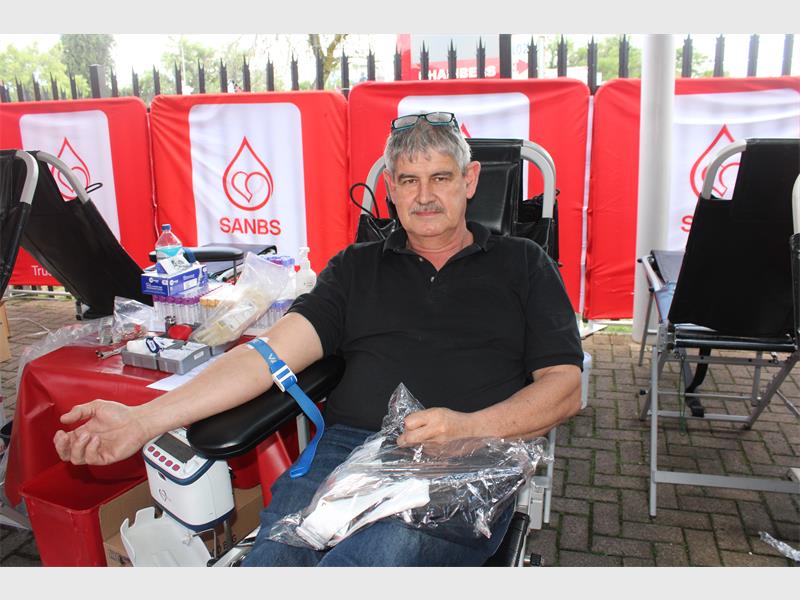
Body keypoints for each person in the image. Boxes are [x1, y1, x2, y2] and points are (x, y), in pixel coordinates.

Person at [53, 111, 583, 567]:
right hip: (349, 454)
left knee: (372, 561)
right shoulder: (356, 269)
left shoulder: (523, 264)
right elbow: (268, 355)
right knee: (275, 562)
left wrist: (468, 427)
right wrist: (142, 419)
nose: (425, 197)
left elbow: (564, 386)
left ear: (470, 181)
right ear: (390, 189)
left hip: (467, 458)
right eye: (408, 180)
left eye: (441, 178)